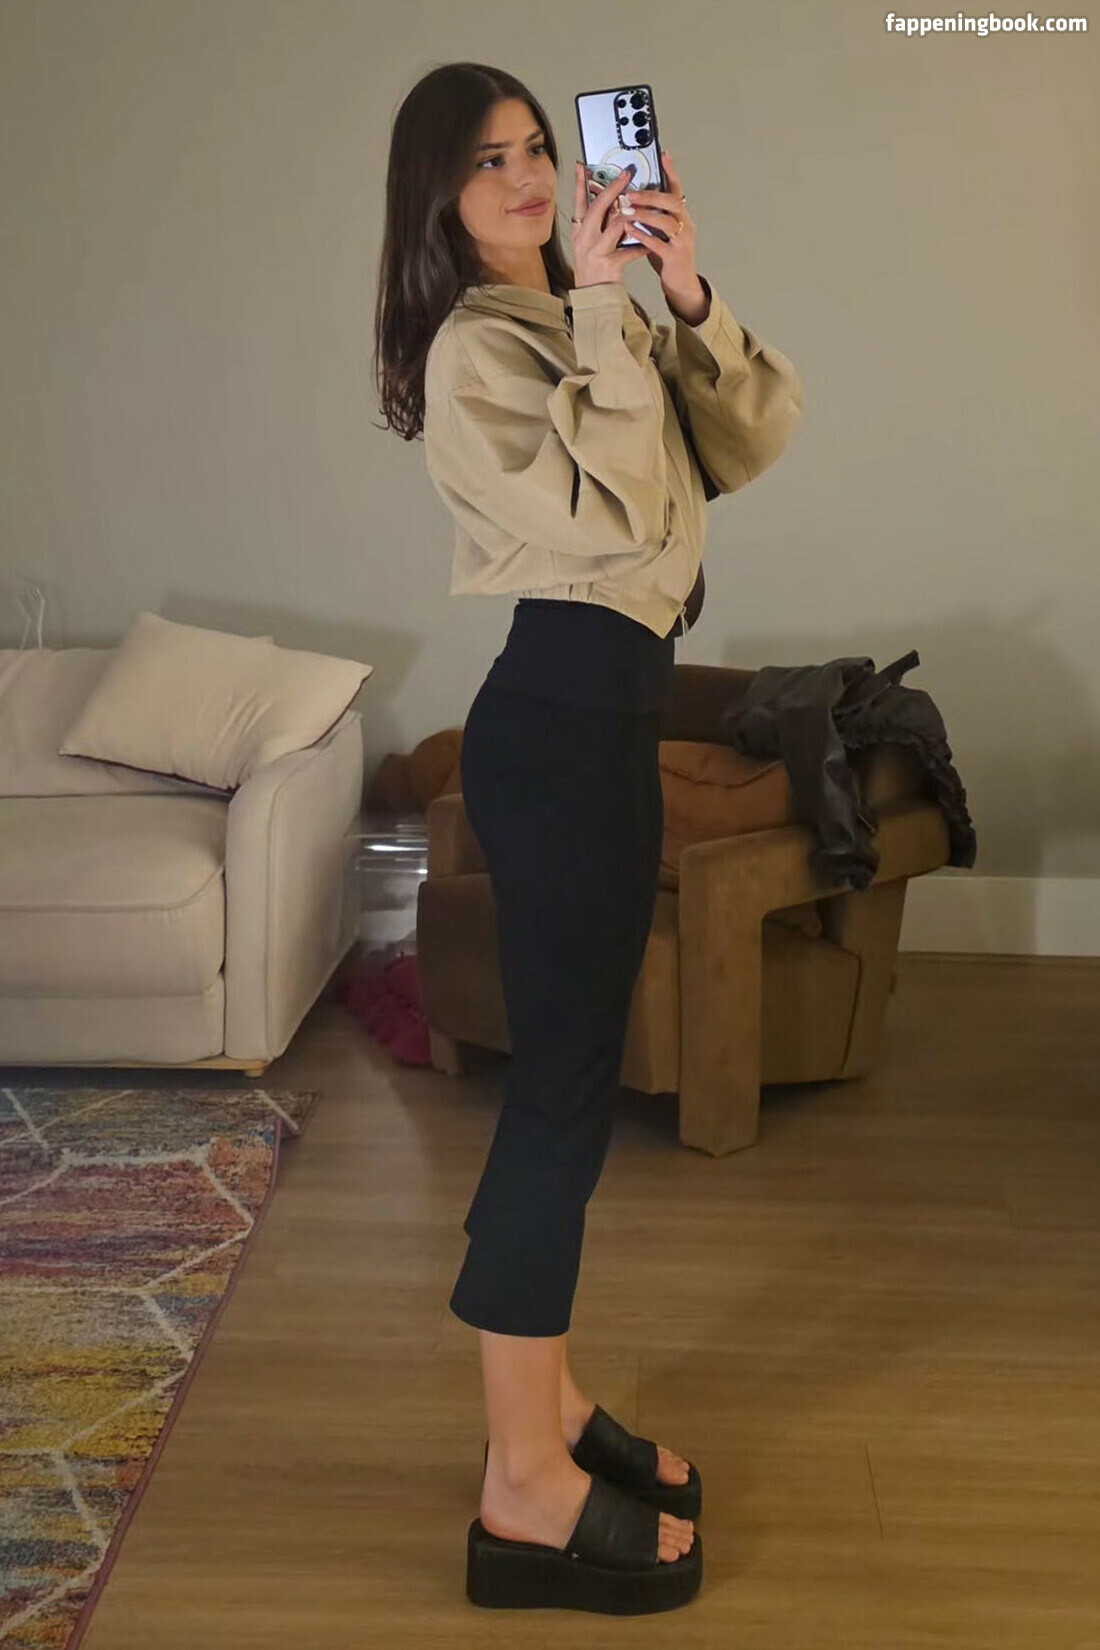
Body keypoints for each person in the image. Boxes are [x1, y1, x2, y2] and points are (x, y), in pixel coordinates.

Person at [372, 61, 803, 1614]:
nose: (531, 177)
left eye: (539, 147)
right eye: (490, 160)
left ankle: (545, 1408)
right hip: (554, 729)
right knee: (558, 1096)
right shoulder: (477, 351)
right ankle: (519, 1485)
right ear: (438, 195)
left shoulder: (584, 313)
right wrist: (616, 315)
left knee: (568, 1090)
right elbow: (614, 511)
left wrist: (680, 295)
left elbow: (740, 447)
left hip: (612, 723)